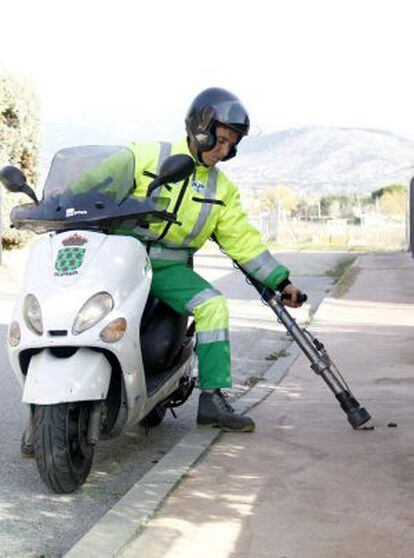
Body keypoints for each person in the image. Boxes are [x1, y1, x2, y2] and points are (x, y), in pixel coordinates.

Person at [21, 87, 303, 457]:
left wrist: (280, 281)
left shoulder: (223, 189)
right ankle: (39, 419)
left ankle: (213, 397)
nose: (223, 153)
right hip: (117, 258)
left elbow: (243, 240)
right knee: (63, 316)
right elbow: (88, 186)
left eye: (231, 147)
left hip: (168, 266)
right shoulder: (145, 156)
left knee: (213, 305)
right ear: (200, 129)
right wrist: (54, 205)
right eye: (219, 142)